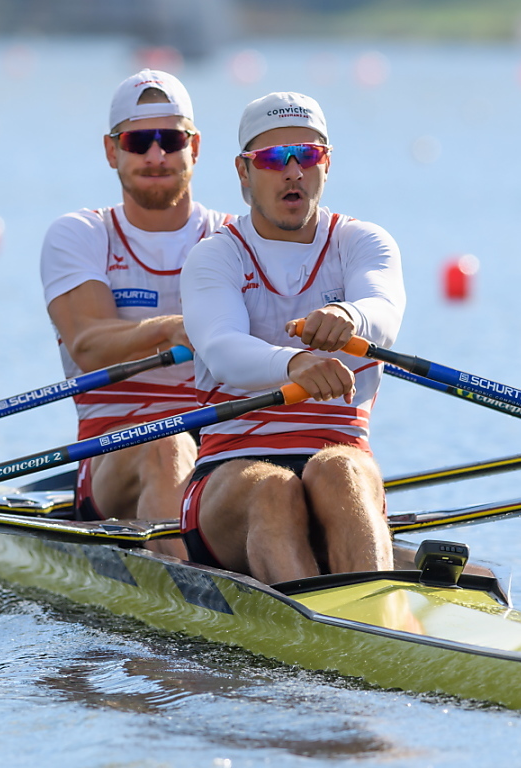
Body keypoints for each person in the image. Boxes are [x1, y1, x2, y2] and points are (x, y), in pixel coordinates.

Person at [178, 91, 405, 583]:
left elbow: (383, 313)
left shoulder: (363, 243)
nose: (292, 171)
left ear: (327, 164)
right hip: (231, 472)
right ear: (244, 172)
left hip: (339, 456)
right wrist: (294, 364)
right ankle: (330, 633)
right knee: (276, 490)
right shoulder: (215, 257)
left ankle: (372, 626)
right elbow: (221, 351)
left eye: (307, 155)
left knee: (339, 471)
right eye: (272, 159)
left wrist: (349, 316)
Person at [39, 70, 231, 556]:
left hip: (220, 449)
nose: (155, 155)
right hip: (113, 456)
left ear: (195, 146)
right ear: (111, 151)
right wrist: (174, 327)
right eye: (137, 140)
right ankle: (189, 610)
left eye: (169, 139)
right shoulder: (81, 235)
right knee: (166, 445)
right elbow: (88, 346)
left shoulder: (234, 239)